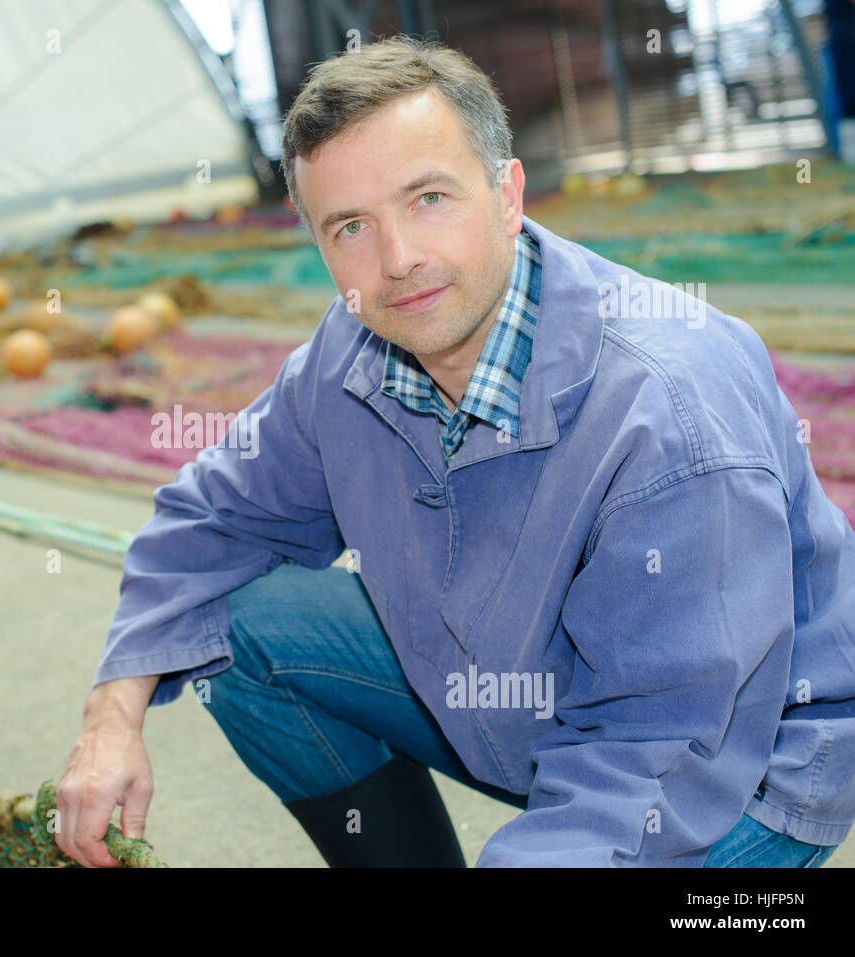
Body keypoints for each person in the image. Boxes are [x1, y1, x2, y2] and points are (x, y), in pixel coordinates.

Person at [57, 36, 855, 868]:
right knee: (246, 631)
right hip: (519, 698)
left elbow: (658, 753)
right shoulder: (351, 356)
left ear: (507, 194)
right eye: (351, 226)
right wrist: (109, 716)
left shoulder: (668, 415)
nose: (398, 260)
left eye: (429, 197)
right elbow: (210, 517)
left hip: (728, 773)